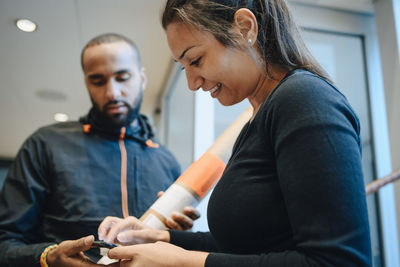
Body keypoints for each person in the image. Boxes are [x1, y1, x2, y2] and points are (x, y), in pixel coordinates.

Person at [97, 0, 372, 266]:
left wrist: (183, 262)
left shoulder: (304, 100)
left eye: (196, 60)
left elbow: (338, 261)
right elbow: (248, 245)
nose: (192, 83)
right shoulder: (257, 121)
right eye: (184, 67)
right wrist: (161, 238)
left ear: (244, 28)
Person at [0, 33, 199, 267]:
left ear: (142, 78)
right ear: (86, 83)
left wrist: (177, 234)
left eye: (123, 77)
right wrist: (48, 256)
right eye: (98, 80)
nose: (113, 92)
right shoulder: (45, 144)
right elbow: (6, 243)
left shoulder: (166, 161)